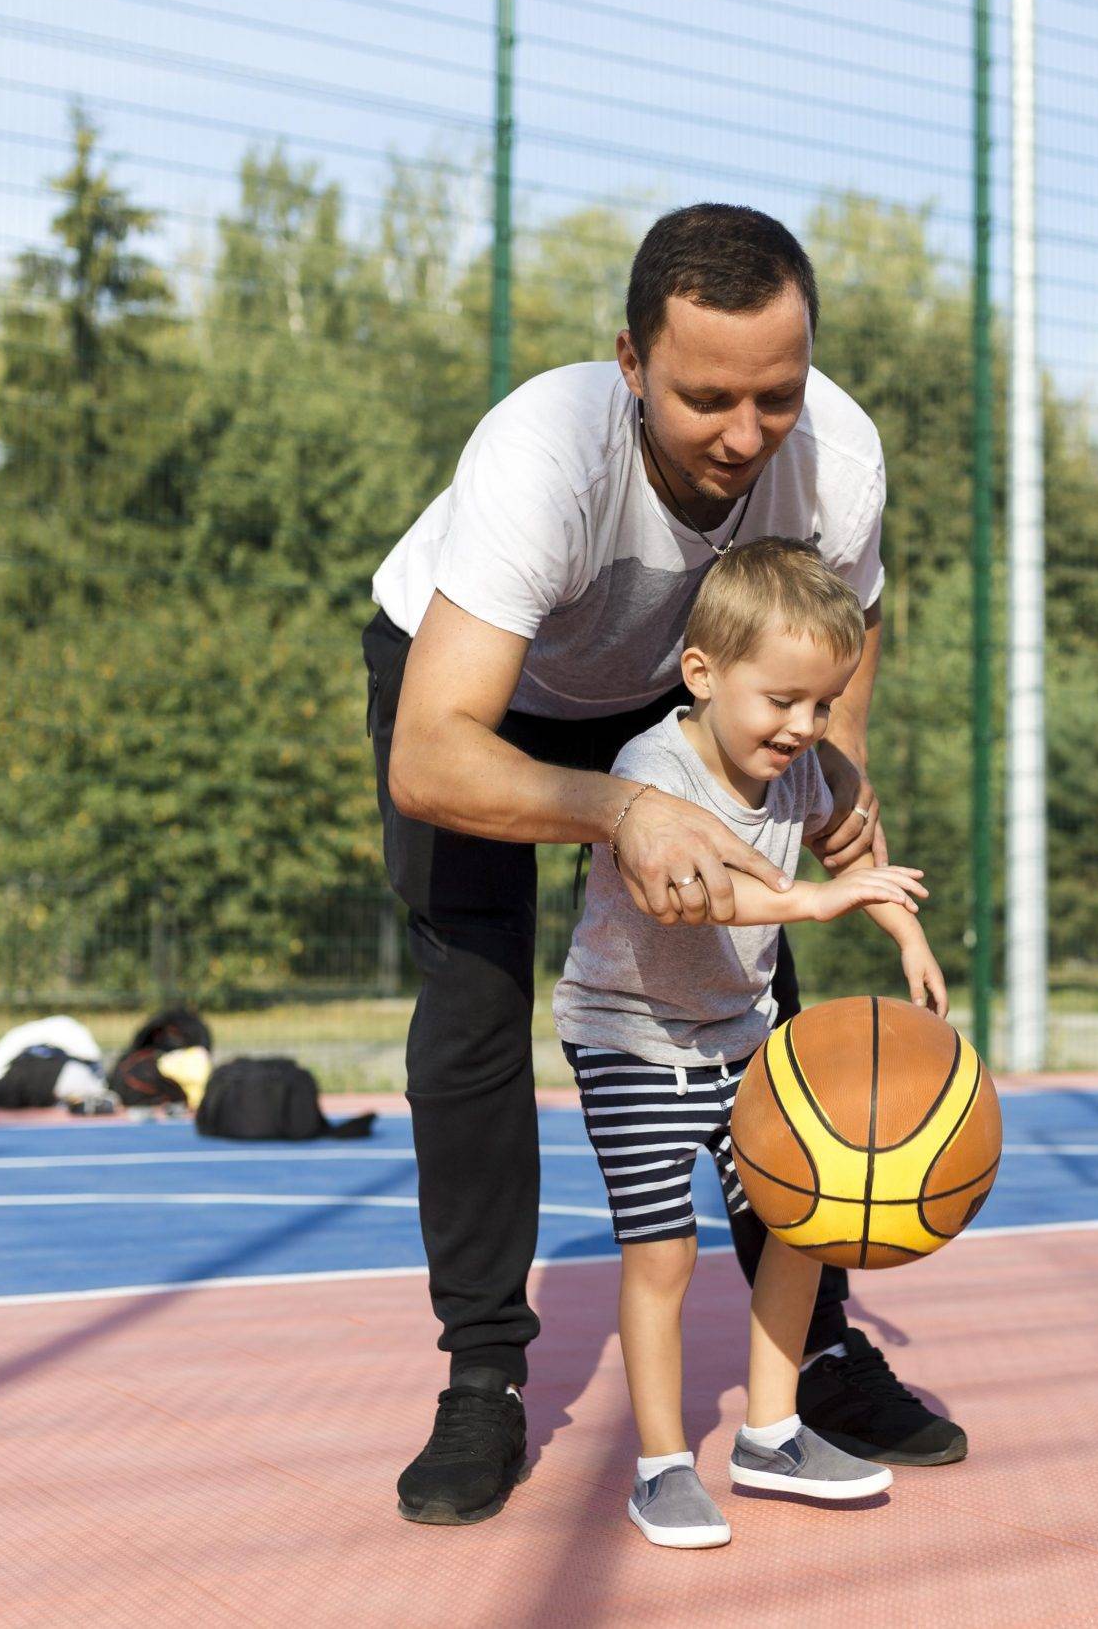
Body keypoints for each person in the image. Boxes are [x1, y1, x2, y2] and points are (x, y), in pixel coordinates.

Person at [366, 203, 966, 1528]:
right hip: (480, 697)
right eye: (706, 398)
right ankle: (483, 1375)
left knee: (764, 978)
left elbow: (837, 640)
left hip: (666, 685)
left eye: (776, 394)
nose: (746, 435)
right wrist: (621, 813)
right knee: (473, 998)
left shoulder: (839, 457)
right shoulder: (547, 451)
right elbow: (432, 755)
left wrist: (832, 786)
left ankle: (812, 1353)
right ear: (632, 362)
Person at [557, 540, 946, 1549]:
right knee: (664, 1255)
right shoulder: (653, 767)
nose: (805, 727)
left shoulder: (802, 770)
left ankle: (770, 1434)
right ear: (703, 673)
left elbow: (849, 850)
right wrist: (815, 901)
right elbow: (692, 893)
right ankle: (659, 1466)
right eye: (782, 700)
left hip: (742, 1041)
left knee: (799, 1224)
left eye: (822, 704)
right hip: (631, 1040)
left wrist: (901, 927)